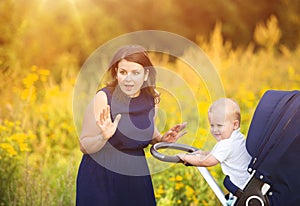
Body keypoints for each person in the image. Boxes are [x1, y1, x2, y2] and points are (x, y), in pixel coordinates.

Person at [76, 45, 187, 206]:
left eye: (135, 73)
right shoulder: (103, 97)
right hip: (101, 176)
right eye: (123, 72)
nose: (129, 79)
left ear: (145, 74)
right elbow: (84, 145)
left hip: (135, 175)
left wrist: (162, 139)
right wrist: (103, 136)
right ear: (116, 72)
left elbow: (149, 133)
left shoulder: (152, 97)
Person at [178, 98, 251, 195]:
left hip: (242, 188)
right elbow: (219, 154)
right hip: (248, 182)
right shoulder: (236, 137)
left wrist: (184, 157)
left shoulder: (227, 143)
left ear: (235, 125)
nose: (215, 130)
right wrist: (203, 153)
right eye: (212, 125)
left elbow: (207, 161)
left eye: (219, 125)